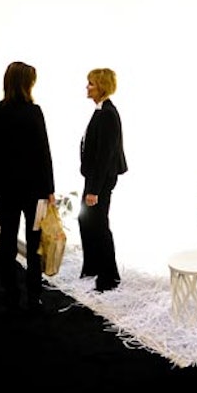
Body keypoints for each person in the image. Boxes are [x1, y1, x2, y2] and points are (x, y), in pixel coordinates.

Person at [0, 61, 55, 313]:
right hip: (35, 194)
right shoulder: (34, 112)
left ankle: (11, 294)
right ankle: (34, 296)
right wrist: (49, 190)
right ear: (27, 83)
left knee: (7, 242)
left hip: (6, 192)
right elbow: (44, 154)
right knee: (34, 246)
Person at [78, 68, 127, 292]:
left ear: (102, 86)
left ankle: (109, 277)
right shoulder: (101, 110)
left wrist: (94, 190)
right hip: (95, 178)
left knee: (99, 225)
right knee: (86, 221)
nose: (87, 87)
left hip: (101, 180)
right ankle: (93, 267)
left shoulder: (108, 113)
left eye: (91, 84)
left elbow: (105, 156)